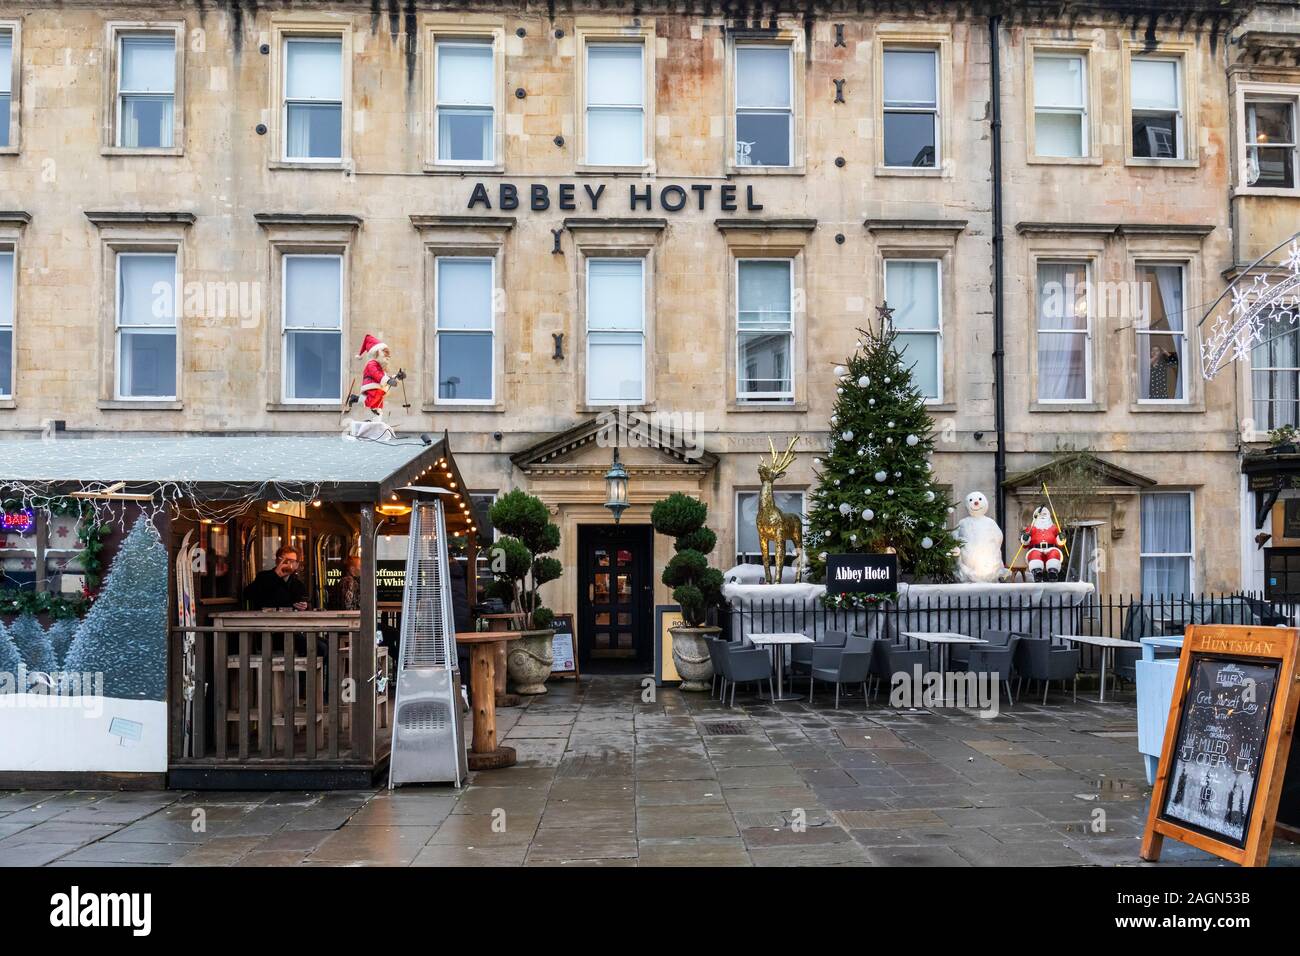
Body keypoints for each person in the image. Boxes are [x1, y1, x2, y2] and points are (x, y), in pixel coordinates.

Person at [244, 545, 310, 610]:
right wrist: (275, 575)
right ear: (276, 561)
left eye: (292, 561)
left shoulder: (299, 584)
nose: (287, 564)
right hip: (265, 619)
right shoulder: (263, 576)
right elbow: (248, 594)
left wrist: (305, 606)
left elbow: (305, 603)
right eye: (284, 560)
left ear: (297, 565)